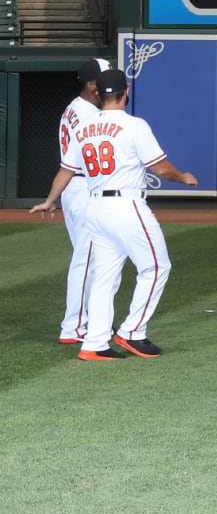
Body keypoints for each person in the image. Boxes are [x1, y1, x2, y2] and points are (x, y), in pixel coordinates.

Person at [32, 67, 199, 360]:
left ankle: (94, 343)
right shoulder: (134, 125)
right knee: (157, 267)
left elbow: (66, 170)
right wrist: (183, 177)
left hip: (94, 206)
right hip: (126, 205)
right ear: (126, 91)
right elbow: (160, 168)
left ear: (99, 93)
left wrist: (50, 200)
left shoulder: (84, 126)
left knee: (104, 276)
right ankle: (133, 332)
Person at [54, 57, 110, 345]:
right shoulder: (88, 115)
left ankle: (85, 322)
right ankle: (73, 326)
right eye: (103, 80)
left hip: (76, 189)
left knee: (94, 260)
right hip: (82, 187)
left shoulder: (74, 109)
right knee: (87, 260)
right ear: (91, 85)